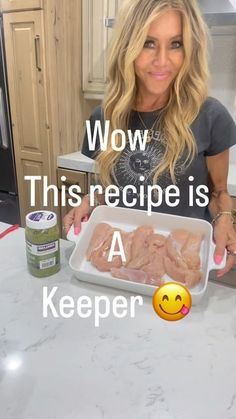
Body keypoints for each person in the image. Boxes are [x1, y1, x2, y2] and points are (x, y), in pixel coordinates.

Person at [63, 0, 236, 277]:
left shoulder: (211, 116)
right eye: (148, 42)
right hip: (121, 265)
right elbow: (112, 188)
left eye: (176, 44)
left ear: (189, 49)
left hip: (180, 269)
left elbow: (218, 194)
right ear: (127, 47)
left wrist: (225, 219)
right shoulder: (103, 117)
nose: (162, 61)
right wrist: (90, 200)